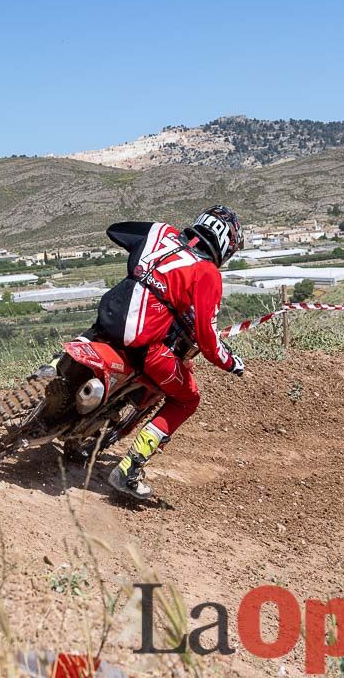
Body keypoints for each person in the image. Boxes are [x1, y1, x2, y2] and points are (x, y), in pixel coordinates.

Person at [91, 205, 246, 500]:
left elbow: (115, 230)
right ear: (226, 244)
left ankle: (47, 372)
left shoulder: (161, 232)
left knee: (92, 333)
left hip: (109, 312)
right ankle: (129, 469)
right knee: (188, 399)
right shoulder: (207, 272)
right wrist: (230, 362)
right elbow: (206, 334)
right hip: (147, 346)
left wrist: (144, 266)